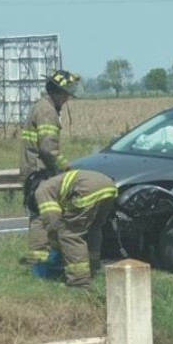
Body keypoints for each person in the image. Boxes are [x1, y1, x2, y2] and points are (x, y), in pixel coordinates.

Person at [20, 70, 81, 269]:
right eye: (65, 94)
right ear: (56, 92)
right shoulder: (48, 111)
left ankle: (42, 261)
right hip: (40, 172)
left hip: (35, 169)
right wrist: (67, 168)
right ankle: (39, 263)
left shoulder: (42, 106)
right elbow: (48, 149)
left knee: (42, 214)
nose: (66, 99)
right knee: (41, 216)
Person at [32, 169, 118, 288]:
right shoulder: (56, 183)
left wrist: (56, 245)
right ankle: (93, 268)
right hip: (109, 187)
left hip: (87, 189)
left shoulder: (41, 191)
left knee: (70, 234)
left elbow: (53, 222)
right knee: (93, 229)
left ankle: (78, 281)